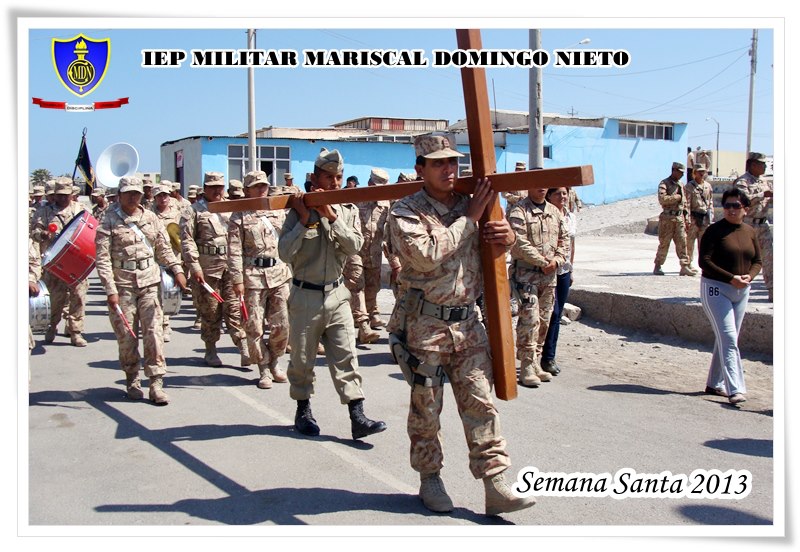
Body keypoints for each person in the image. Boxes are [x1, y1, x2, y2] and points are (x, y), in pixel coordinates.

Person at [386, 133, 535, 516]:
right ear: (420, 169)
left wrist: (507, 236)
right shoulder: (405, 211)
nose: (448, 169)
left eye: (452, 161)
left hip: (468, 325)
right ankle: (430, 478)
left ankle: (495, 484)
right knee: (426, 409)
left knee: (481, 405)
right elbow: (424, 255)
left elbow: (496, 250)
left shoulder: (476, 203)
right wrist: (469, 220)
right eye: (438, 163)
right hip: (425, 328)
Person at [278, 148, 386, 440]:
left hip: (337, 295)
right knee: (302, 360)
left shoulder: (347, 210)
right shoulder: (297, 210)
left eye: (339, 177)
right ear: (315, 178)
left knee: (347, 356)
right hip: (305, 295)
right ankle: (303, 410)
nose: (335, 183)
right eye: (328, 177)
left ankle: (357, 415)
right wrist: (304, 220)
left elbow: (354, 246)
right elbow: (284, 253)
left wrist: (331, 217)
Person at [94, 176, 187, 404]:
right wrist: (110, 289)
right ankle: (132, 379)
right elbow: (102, 258)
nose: (133, 197)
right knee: (127, 336)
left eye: (136, 193)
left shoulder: (150, 217)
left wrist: (177, 269)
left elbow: (163, 248)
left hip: (149, 283)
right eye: (128, 193)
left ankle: (156, 383)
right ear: (120, 194)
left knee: (154, 333)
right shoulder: (108, 219)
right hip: (123, 286)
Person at [227, 170, 292, 388]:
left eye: (263, 185)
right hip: (252, 277)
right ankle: (263, 367)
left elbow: (289, 239)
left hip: (278, 274)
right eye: (256, 186)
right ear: (247, 191)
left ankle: (275, 360)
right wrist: (237, 280)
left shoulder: (277, 212)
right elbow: (234, 251)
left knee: (282, 324)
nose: (262, 189)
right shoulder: (238, 217)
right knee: (254, 326)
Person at [698, 188, 762, 405]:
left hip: (741, 290)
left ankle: (714, 383)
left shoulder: (749, 231)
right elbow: (704, 261)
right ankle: (735, 388)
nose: (731, 210)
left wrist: (749, 277)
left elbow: (757, 261)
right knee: (729, 338)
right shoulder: (714, 231)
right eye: (727, 205)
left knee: (727, 338)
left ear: (745, 209)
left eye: (736, 206)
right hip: (716, 289)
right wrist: (730, 278)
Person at [181, 171, 248, 368]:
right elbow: (187, 241)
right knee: (210, 312)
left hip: (231, 267)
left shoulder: (231, 208)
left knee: (235, 308)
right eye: (212, 187)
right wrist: (194, 267)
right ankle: (210, 349)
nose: (217, 191)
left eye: (220, 187)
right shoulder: (193, 211)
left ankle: (243, 347)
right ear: (205, 188)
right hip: (207, 270)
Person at [508, 184, 568, 385]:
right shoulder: (519, 210)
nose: (541, 187)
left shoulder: (554, 212)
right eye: (536, 183)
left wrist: (556, 261)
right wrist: (542, 262)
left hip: (549, 277)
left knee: (544, 320)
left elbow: (564, 239)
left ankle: (536, 361)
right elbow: (519, 242)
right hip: (526, 275)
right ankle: (526, 364)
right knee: (529, 319)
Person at [29, 177, 89, 347]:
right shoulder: (45, 212)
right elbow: (33, 233)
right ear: (54, 195)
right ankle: (52, 325)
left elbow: (91, 231)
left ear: (72, 194)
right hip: (54, 263)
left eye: (66, 195)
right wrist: (43, 234)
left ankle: (76, 332)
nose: (62, 198)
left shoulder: (81, 210)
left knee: (78, 298)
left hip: (77, 263)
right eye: (59, 195)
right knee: (55, 299)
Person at [540, 187, 576, 375]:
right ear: (549, 196)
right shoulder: (545, 214)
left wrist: (571, 269)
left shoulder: (570, 216)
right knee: (549, 314)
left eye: (564, 193)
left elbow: (572, 245)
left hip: (563, 270)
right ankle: (536, 354)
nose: (562, 197)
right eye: (557, 193)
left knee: (557, 314)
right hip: (547, 270)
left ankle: (549, 357)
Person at [733, 152, 773, 302]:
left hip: (763, 225)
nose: (765, 166)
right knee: (744, 260)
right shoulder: (742, 182)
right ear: (753, 164)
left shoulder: (764, 181)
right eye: (762, 164)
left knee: (770, 258)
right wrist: (763, 194)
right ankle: (737, 291)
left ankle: (773, 290)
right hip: (748, 225)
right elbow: (742, 200)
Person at [356, 168, 392, 330]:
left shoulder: (385, 205)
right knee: (357, 285)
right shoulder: (357, 200)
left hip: (375, 252)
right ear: (369, 183)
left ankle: (373, 314)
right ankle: (361, 318)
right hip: (357, 252)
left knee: (373, 285)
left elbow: (388, 229)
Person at [654, 162, 696, 276]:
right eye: (680, 172)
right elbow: (662, 199)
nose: (682, 175)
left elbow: (685, 203)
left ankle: (684, 266)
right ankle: (658, 265)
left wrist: (686, 217)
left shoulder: (681, 184)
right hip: (667, 219)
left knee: (682, 243)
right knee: (664, 243)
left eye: (683, 173)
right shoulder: (664, 183)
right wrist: (676, 197)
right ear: (674, 170)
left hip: (679, 218)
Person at [153, 183, 183, 342]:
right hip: (154, 258)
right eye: (159, 196)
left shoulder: (177, 214)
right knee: (156, 292)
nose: (163, 198)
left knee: (169, 291)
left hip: (173, 257)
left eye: (165, 195)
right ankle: (161, 325)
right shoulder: (150, 214)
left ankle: (165, 322)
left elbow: (182, 235)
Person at [685, 163, 715, 271]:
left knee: (704, 243)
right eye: (699, 172)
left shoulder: (708, 186)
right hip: (694, 217)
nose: (702, 174)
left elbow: (710, 201)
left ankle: (704, 265)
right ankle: (688, 264)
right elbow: (687, 204)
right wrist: (687, 219)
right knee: (690, 242)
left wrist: (711, 214)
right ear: (694, 173)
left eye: (703, 171)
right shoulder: (689, 186)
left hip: (705, 218)